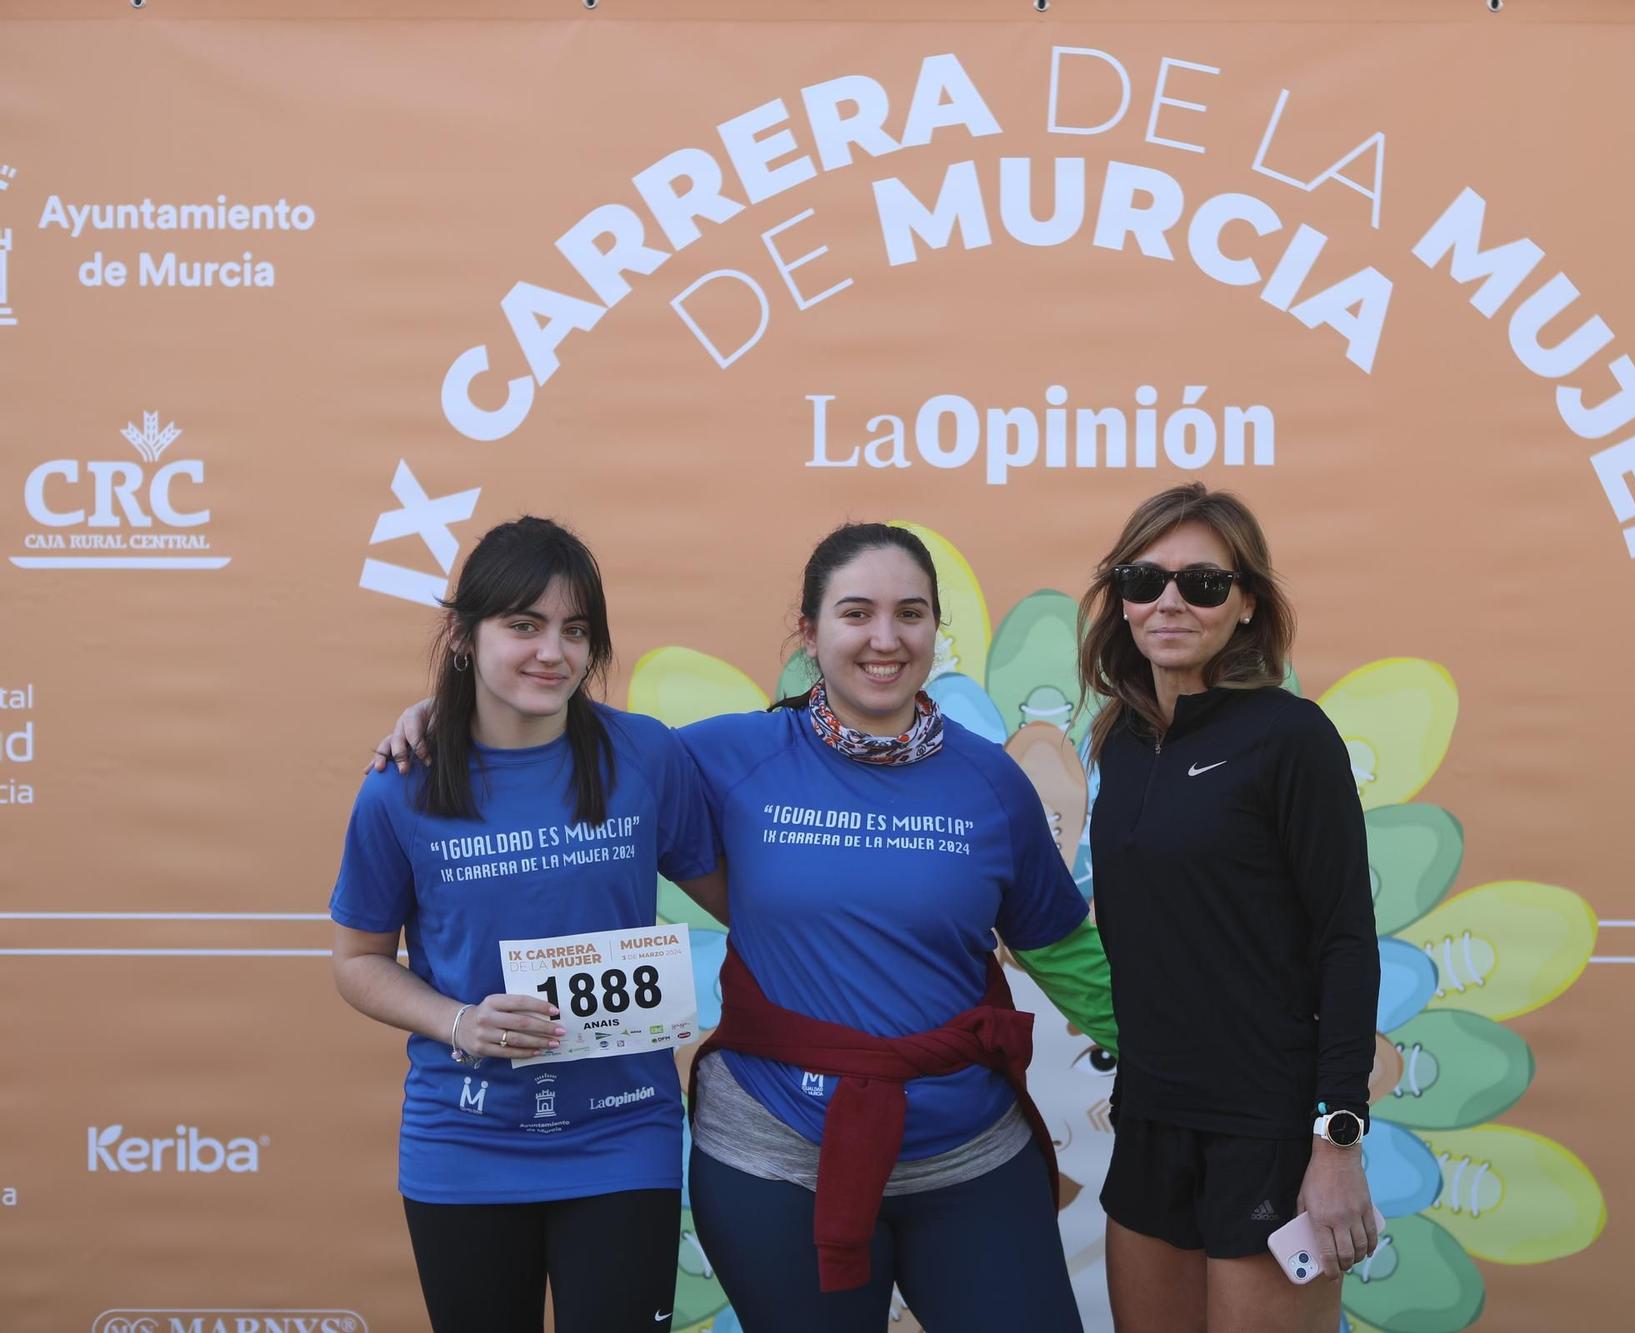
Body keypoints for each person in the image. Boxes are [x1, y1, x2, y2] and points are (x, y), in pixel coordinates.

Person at [372, 522, 1116, 1333]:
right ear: (809, 631)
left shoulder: (990, 778)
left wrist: (1177, 1057)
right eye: (856, 612)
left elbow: (1062, 948)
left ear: (937, 631)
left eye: (910, 614)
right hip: (775, 1146)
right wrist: (452, 714)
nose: (884, 637)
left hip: (966, 1143)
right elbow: (550, 744)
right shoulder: (724, 753)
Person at [332, 516, 722, 1332]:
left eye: (575, 630)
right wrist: (459, 1020)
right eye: (524, 624)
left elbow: (746, 902)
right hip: (464, 1140)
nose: (553, 651)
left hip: (625, 1132)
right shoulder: (399, 786)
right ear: (466, 636)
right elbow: (359, 961)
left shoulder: (646, 757)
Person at [1079, 484, 1380, 1333]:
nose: (1169, 600)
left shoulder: (1292, 738)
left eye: (1203, 582)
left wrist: (1336, 1142)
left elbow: (1347, 945)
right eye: (1145, 579)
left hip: (1270, 1135)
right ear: (1122, 601)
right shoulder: (1123, 743)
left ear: (1246, 604)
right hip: (1150, 1126)